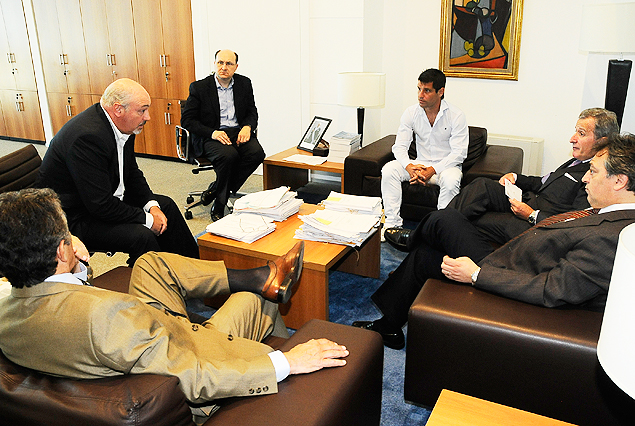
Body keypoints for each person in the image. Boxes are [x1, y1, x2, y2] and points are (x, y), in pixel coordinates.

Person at [0, 188, 348, 417]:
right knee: (256, 304)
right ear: (62, 250)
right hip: (191, 360)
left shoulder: (6, 313)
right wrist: (287, 363)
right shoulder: (106, 317)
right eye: (67, 234)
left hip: (147, 339)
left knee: (150, 263)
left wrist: (78, 269)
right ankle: (284, 388)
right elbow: (194, 378)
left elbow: (62, 301)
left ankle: (262, 279)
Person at [353, 133, 635, 349]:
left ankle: (408, 241)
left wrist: (476, 274)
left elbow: (552, 289)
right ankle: (389, 324)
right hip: (513, 260)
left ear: (619, 181)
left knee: (444, 220)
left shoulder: (613, 235)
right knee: (428, 253)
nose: (585, 177)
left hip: (506, 276)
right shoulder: (609, 216)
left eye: (594, 171)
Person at [385, 108, 619, 249]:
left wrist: (532, 215)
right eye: (575, 131)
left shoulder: (597, 175)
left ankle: (422, 239)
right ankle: (426, 235)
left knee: (474, 219)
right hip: (526, 201)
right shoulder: (576, 162)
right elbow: (544, 182)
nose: (571, 139)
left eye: (581, 133)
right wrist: (516, 177)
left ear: (602, 140)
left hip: (536, 223)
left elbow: (577, 219)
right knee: (481, 186)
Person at [36, 78, 199, 267]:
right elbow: (100, 205)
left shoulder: (123, 125)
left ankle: (193, 271)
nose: (148, 117)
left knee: (166, 206)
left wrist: (151, 206)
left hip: (100, 200)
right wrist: (147, 219)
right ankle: (154, 287)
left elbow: (132, 173)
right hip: (73, 217)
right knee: (143, 236)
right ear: (118, 109)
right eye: (142, 110)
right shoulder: (87, 138)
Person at [380, 68, 468, 240]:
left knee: (452, 181)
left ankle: (442, 229)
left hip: (446, 167)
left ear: (440, 92)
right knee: (389, 170)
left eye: (427, 90)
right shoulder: (411, 113)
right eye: (419, 89)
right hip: (419, 164)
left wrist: (433, 170)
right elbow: (399, 147)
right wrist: (409, 166)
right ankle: (392, 225)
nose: (421, 95)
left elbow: (459, 153)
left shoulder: (456, 116)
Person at [181, 49, 266, 221]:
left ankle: (215, 189)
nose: (224, 67)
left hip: (237, 131)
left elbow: (252, 111)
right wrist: (212, 133)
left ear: (236, 67)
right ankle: (220, 204)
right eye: (220, 63)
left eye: (228, 64)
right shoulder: (199, 87)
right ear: (214, 64)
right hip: (210, 134)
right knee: (229, 156)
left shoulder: (244, 84)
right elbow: (188, 121)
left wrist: (248, 126)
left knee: (257, 154)